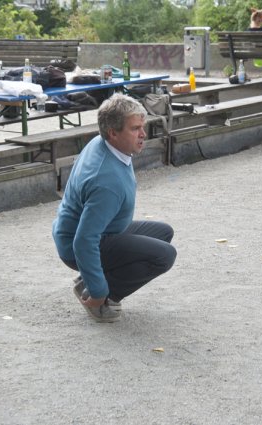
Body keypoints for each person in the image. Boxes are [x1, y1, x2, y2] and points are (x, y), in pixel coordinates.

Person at [52, 93, 177, 323]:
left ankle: (90, 279)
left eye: (142, 126)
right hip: (75, 245)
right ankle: (100, 296)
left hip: (95, 230)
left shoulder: (102, 143)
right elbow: (84, 241)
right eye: (135, 129)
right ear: (113, 133)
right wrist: (98, 290)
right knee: (164, 256)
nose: (143, 134)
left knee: (163, 233)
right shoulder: (107, 182)